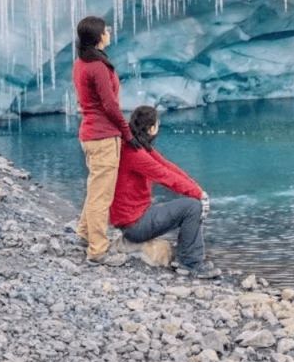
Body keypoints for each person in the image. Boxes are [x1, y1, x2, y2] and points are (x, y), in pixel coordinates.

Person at [110, 106, 217, 278]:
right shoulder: (135, 154)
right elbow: (165, 176)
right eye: (158, 124)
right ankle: (190, 263)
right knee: (192, 207)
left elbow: (168, 166)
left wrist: (197, 190)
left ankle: (186, 256)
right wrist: (199, 196)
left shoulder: (137, 146)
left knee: (192, 203)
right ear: (152, 128)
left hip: (135, 218)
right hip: (135, 226)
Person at [72, 15, 134, 265]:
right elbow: (109, 105)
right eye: (105, 30)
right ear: (98, 37)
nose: (108, 32)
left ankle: (85, 232)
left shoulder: (81, 63)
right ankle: (98, 249)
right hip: (104, 136)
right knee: (102, 194)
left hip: (90, 133)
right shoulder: (97, 67)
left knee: (95, 187)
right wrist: (126, 132)